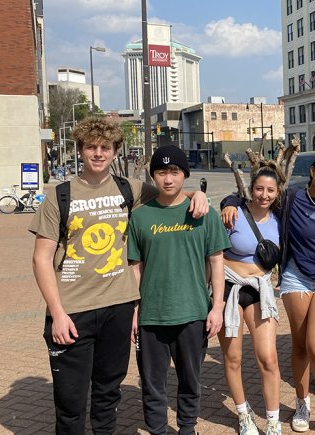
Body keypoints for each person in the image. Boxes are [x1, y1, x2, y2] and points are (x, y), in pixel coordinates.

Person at [29, 117, 208, 434]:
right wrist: (56, 313)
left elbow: (172, 192)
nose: (98, 153)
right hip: (72, 311)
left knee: (107, 394)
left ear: (115, 152)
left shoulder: (131, 189)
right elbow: (41, 258)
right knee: (70, 402)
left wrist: (199, 195)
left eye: (105, 148)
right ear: (81, 150)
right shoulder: (60, 196)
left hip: (119, 307)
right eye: (91, 147)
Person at [222, 154, 315, 435]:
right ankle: (302, 403)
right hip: (296, 277)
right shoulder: (291, 197)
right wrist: (229, 203)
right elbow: (255, 198)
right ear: (313, 171)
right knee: (301, 345)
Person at [128, 146, 228, 435]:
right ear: (153, 176)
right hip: (151, 316)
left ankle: (187, 428)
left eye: (174, 172)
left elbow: (217, 262)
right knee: (152, 383)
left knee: (190, 380)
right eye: (161, 172)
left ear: (185, 174)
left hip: (193, 311)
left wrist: (217, 307)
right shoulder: (141, 216)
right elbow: (137, 267)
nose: (168, 179)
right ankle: (158, 430)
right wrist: (135, 309)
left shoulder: (204, 213)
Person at [217, 162, 284, 435]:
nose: (264, 195)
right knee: (232, 358)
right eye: (259, 189)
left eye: (270, 190)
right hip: (230, 289)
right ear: (250, 189)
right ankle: (244, 415)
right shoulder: (233, 213)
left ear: (278, 192)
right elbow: (215, 253)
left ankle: (272, 420)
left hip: (260, 289)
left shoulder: (281, 219)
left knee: (268, 358)